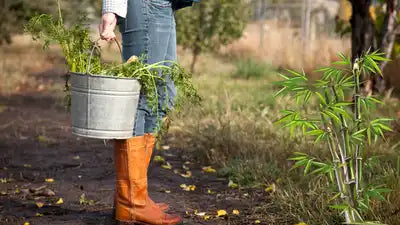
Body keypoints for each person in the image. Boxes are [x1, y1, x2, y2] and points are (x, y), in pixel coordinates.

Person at [99, 0, 188, 224]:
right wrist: (111, 8)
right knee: (143, 97)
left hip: (162, 5)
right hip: (146, 4)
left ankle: (135, 197)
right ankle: (131, 203)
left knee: (161, 96)